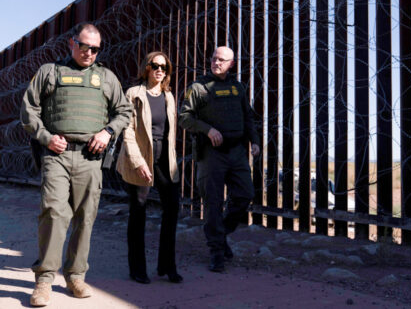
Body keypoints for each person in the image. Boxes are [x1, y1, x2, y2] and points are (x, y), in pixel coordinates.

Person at [20, 22, 132, 307]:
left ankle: (75, 276)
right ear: (72, 44)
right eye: (85, 47)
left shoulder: (106, 77)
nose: (90, 53)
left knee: (86, 216)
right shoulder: (50, 72)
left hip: (90, 158)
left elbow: (124, 110)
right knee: (54, 213)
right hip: (57, 154)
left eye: (96, 49)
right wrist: (45, 137)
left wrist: (108, 132)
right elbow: (28, 109)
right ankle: (45, 279)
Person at [179, 46, 260, 272]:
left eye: (222, 60)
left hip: (236, 152)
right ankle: (216, 251)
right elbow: (184, 117)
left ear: (231, 64)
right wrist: (207, 129)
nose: (217, 62)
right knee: (213, 203)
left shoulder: (237, 88)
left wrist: (254, 141)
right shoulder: (198, 87)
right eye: (214, 58)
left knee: (245, 195)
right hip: (211, 153)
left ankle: (221, 233)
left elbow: (248, 118)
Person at [116, 51, 183, 284]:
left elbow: (170, 132)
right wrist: (138, 161)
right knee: (138, 212)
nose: (159, 70)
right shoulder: (133, 94)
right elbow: (127, 131)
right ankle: (137, 269)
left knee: (172, 208)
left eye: (164, 67)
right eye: (155, 65)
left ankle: (167, 265)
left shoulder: (169, 96)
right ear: (146, 66)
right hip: (140, 157)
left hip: (165, 159)